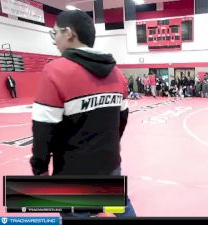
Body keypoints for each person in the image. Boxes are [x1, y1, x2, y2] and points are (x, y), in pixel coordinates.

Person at [30, 10, 135, 218]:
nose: (54, 41)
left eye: (55, 33)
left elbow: (42, 131)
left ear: (69, 33)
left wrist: (40, 169)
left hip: (72, 174)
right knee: (120, 209)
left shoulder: (55, 72)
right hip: (110, 165)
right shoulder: (117, 74)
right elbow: (121, 123)